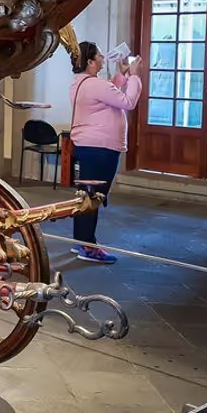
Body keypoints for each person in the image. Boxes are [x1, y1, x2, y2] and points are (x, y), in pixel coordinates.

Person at [68, 41, 143, 264]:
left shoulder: (83, 83)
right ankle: (88, 247)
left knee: (86, 196)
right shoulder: (94, 84)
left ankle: (81, 240)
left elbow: (108, 94)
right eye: (99, 56)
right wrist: (135, 76)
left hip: (89, 146)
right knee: (93, 197)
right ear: (90, 62)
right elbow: (128, 102)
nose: (102, 58)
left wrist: (120, 76)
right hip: (100, 148)